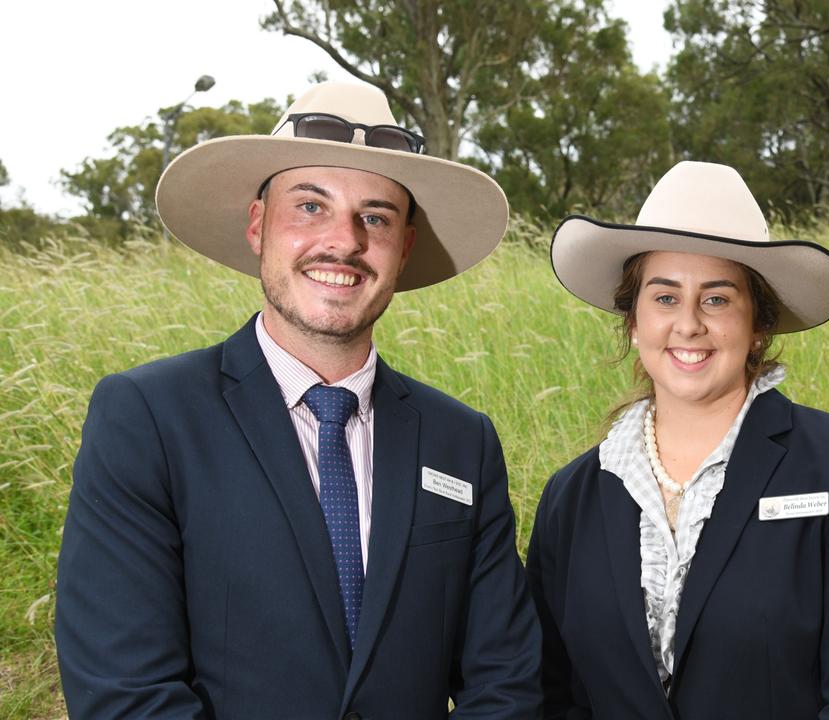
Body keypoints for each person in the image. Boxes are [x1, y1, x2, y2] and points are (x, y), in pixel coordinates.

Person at [55, 82, 540, 719]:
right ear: (258, 226)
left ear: (405, 248)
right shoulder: (147, 418)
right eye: (310, 207)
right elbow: (126, 693)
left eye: (376, 217)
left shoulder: (462, 440)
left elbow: (505, 683)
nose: (343, 242)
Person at [528, 161, 829, 718]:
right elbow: (549, 693)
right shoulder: (570, 498)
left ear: (758, 324)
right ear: (633, 320)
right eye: (665, 297)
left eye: (717, 299)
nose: (689, 323)